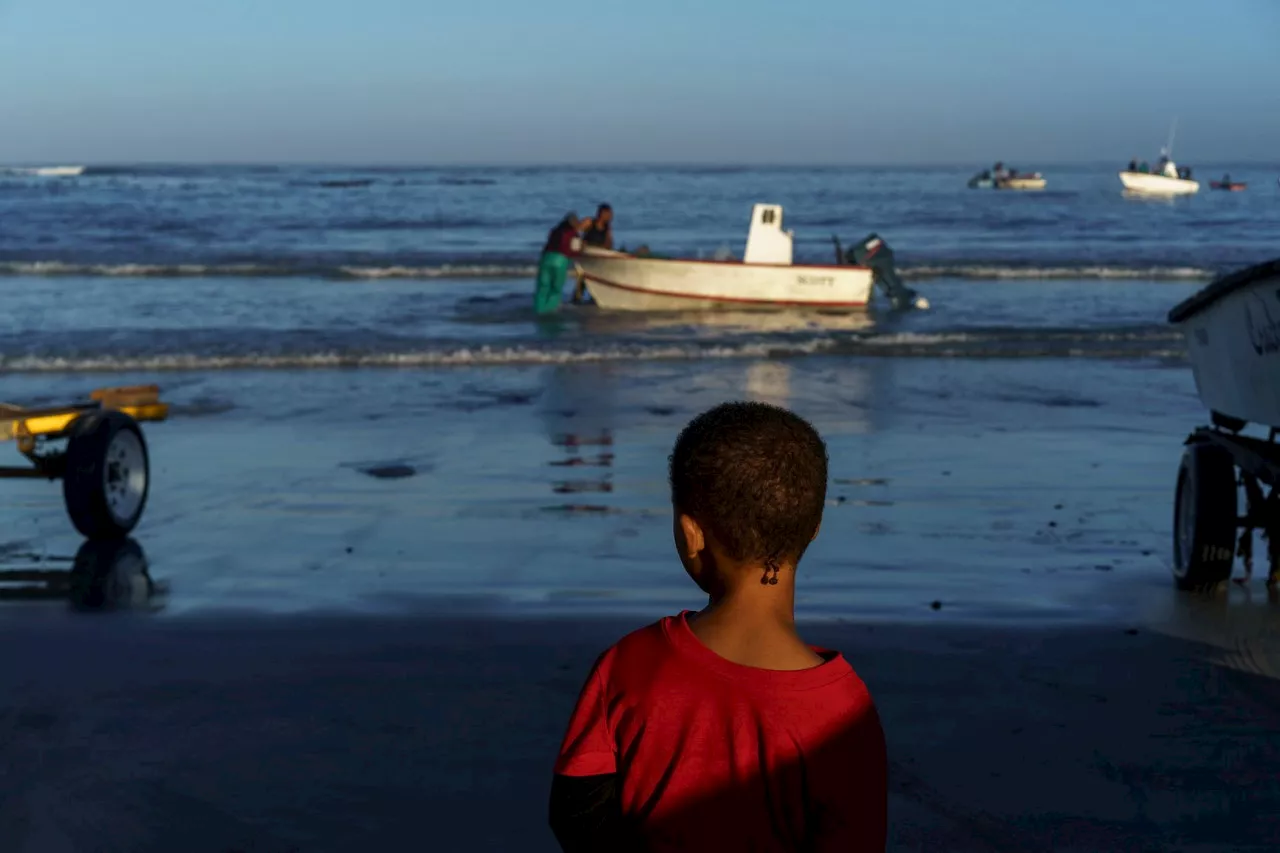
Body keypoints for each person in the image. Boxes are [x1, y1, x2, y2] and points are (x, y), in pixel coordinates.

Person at [549, 402, 888, 852]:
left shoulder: (630, 665)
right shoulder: (845, 711)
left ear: (691, 533)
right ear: (813, 529)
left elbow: (576, 817)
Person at [535, 213, 581, 315]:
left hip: (546, 258)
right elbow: (575, 250)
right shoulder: (574, 234)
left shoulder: (555, 230)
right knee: (556, 288)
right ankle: (550, 310)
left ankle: (539, 309)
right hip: (561, 260)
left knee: (543, 287)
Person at [571, 204, 614, 304]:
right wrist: (579, 245)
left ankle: (594, 298)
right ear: (602, 214)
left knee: (598, 278)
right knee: (582, 280)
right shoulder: (590, 222)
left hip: (598, 256)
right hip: (587, 255)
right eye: (609, 214)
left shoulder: (607, 228)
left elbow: (609, 244)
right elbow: (576, 230)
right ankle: (576, 299)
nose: (611, 217)